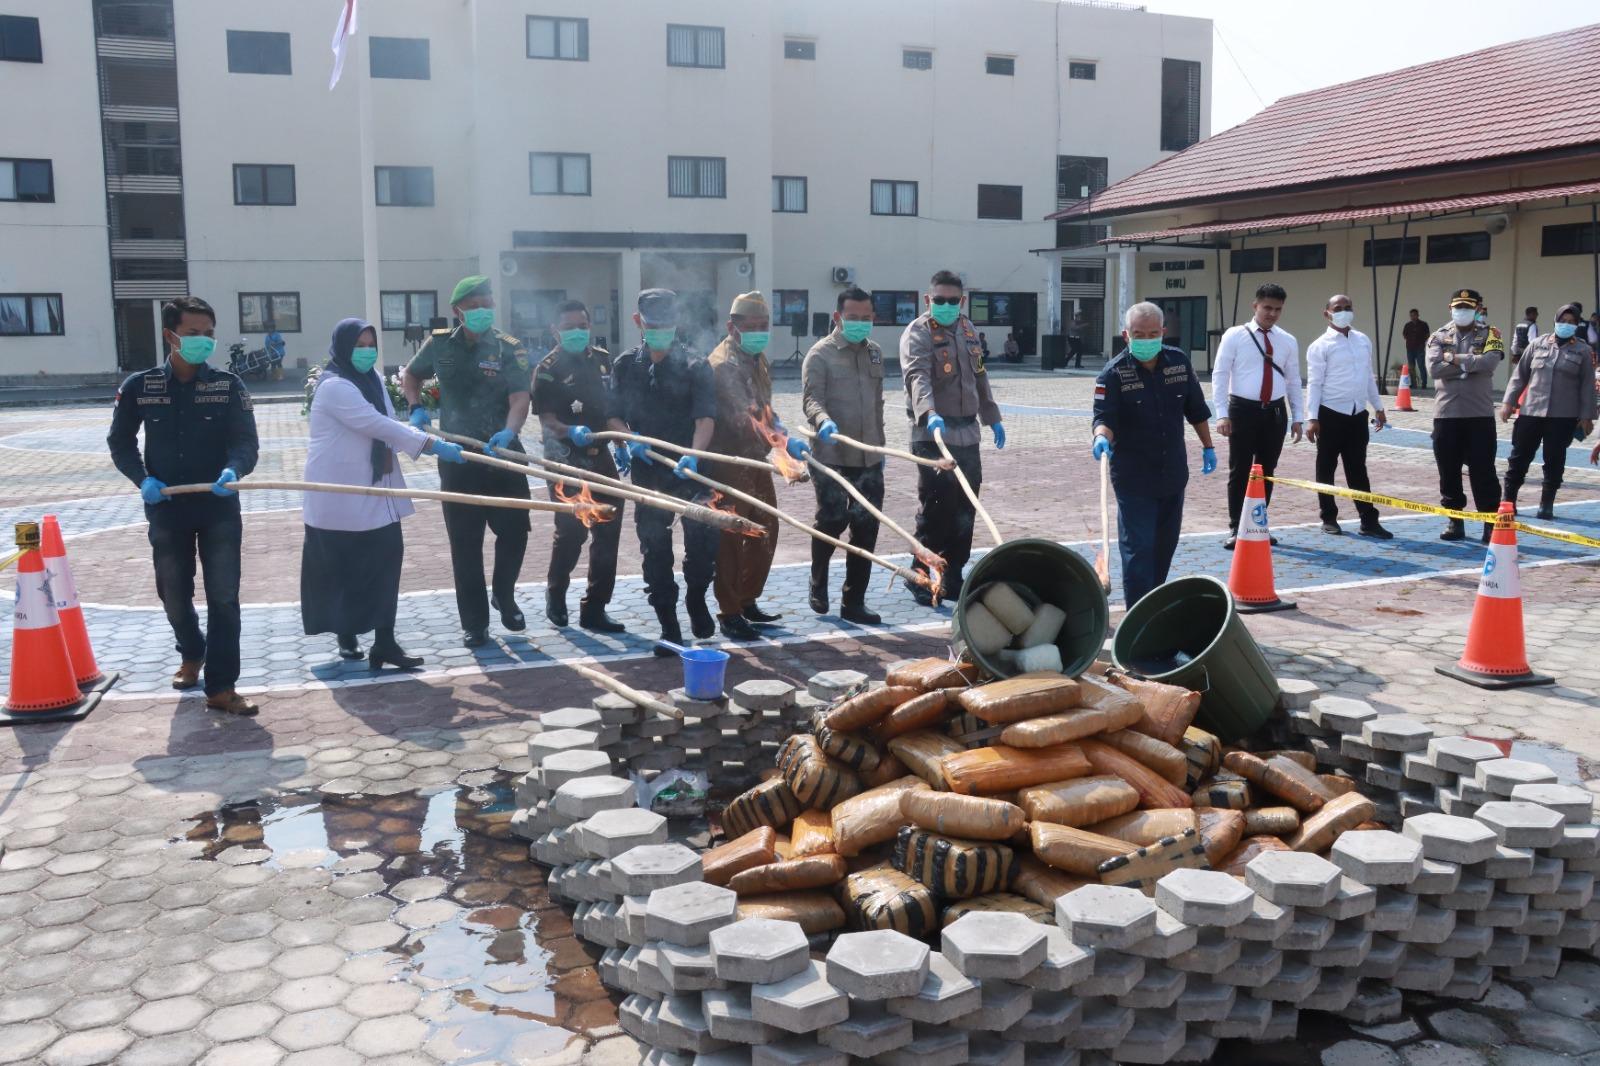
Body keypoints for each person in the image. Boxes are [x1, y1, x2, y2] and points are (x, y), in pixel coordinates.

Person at [107, 296, 260, 716]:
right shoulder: (140, 386)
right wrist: (143, 480)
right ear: (170, 335)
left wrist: (234, 470)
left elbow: (245, 442)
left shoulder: (228, 386)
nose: (203, 342)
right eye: (193, 334)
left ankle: (222, 687)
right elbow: (119, 442)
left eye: (209, 334)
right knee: (174, 592)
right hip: (167, 507)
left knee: (224, 598)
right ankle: (192, 652)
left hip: (218, 507)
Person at [302, 318, 466, 669]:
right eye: (358, 345)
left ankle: (385, 643)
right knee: (340, 569)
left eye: (370, 344)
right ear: (343, 347)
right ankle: (345, 634)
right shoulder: (334, 387)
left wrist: (416, 429)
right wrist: (431, 444)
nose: (366, 351)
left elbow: (388, 423)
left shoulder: (373, 379)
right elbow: (374, 424)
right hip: (338, 493)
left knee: (386, 561)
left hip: (377, 489)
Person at [402, 275, 533, 647]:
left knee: (514, 532)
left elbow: (521, 398)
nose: (481, 311)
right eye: (473, 305)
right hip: (458, 459)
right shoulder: (439, 343)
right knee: (465, 542)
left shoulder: (510, 348)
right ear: (457, 311)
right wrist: (416, 408)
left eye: (486, 303)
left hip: (503, 455)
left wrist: (509, 431)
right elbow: (410, 375)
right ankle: (475, 623)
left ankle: (504, 595)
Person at [613, 288, 720, 650]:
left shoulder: (695, 365)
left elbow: (705, 418)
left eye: (667, 324)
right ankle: (668, 624)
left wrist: (693, 454)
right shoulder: (625, 365)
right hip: (648, 473)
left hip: (690, 471)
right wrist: (628, 439)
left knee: (704, 543)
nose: (660, 330)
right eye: (653, 324)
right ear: (638, 322)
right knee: (655, 548)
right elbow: (612, 415)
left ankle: (696, 596)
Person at [1091, 302, 1217, 607]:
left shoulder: (1179, 363)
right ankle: (1137, 615)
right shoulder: (1113, 374)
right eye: (1138, 334)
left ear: (1163, 332)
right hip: (1134, 479)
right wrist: (1100, 438)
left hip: (1172, 474)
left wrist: (1208, 446)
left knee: (1163, 548)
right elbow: (1103, 418)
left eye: (1152, 333)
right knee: (1138, 550)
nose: (1145, 339)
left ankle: (1153, 608)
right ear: (1126, 335)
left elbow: (1196, 410)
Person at [707, 291, 808, 639]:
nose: (759, 332)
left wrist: (781, 434)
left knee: (766, 526)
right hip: (727, 458)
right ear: (732, 327)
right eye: (751, 327)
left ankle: (747, 598)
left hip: (755, 456)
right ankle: (729, 610)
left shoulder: (757, 357)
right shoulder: (723, 365)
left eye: (763, 326)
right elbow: (745, 418)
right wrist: (782, 441)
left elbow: (764, 408)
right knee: (734, 533)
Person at [901, 269, 1005, 605]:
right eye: (939, 300)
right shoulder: (918, 333)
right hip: (932, 434)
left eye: (953, 300)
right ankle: (921, 575)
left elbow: (980, 375)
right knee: (936, 509)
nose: (946, 305)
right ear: (928, 300)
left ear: (962, 301)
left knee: (966, 507)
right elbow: (917, 376)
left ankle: (954, 575)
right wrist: (928, 412)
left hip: (967, 432)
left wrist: (992, 417)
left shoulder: (967, 328)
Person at [532, 300, 629, 632]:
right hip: (565, 460)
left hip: (600, 459)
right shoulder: (547, 368)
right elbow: (547, 421)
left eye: (583, 326)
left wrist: (622, 442)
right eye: (570, 327)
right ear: (555, 330)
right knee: (571, 532)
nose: (578, 332)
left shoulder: (603, 361)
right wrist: (570, 430)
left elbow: (611, 411)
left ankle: (596, 607)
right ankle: (556, 593)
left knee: (608, 529)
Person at [802, 286, 886, 625]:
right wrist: (823, 420)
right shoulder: (819, 355)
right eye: (853, 318)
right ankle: (818, 581)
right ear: (838, 317)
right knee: (832, 521)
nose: (860, 324)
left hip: (869, 457)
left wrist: (880, 446)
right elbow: (811, 400)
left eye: (866, 319)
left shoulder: (875, 353)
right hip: (831, 455)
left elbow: (878, 403)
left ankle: (854, 601)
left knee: (866, 529)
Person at [1213, 283, 1303, 550]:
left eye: (1277, 309)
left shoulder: (1287, 340)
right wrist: (1221, 414)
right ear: (1255, 306)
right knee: (1240, 470)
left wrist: (1299, 416)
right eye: (1267, 308)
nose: (1272, 314)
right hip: (1242, 410)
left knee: (1266, 471)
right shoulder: (1235, 335)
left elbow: (1293, 380)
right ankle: (1235, 527)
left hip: (1274, 412)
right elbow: (1220, 375)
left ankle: (1257, 523)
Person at [1304, 295, 1393, 539]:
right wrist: (1312, 417)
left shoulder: (1363, 340)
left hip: (1357, 414)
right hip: (1330, 413)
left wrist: (1378, 406)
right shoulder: (1320, 345)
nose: (1344, 312)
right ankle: (1329, 517)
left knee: (1358, 469)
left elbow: (1368, 377)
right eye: (1338, 308)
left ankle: (1368, 520)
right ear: (1327, 313)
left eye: (1348, 308)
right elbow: (1314, 383)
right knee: (1326, 467)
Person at [1500, 302, 1596, 519]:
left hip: (1563, 416)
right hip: (1531, 411)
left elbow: (1587, 386)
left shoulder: (1583, 350)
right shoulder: (1537, 344)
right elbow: (1520, 375)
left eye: (1571, 322)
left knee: (1554, 459)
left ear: (1577, 325)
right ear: (1555, 320)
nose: (1566, 325)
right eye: (1563, 321)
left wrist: (1587, 416)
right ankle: (1508, 499)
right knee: (1519, 456)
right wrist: (1508, 402)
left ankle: (1547, 502)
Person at [1427, 288, 1504, 542]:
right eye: (1458, 307)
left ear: (1477, 309)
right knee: (1448, 470)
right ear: (1450, 308)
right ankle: (1454, 521)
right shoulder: (1438, 335)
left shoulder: (1491, 334)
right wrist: (1470, 364)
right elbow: (1434, 369)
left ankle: (1489, 523)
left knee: (1483, 471)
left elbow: (1490, 363)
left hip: (1479, 415)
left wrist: (1453, 359)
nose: (1462, 311)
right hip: (1447, 414)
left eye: (1467, 307)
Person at [1402, 309, 1431, 389]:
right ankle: (1413, 384)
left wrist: (1421, 342)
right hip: (1410, 349)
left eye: (1414, 315)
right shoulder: (1407, 325)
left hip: (1420, 349)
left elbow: (1427, 335)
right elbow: (1404, 335)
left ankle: (1424, 384)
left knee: (1421, 366)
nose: (1412, 317)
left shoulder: (1423, 324)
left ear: (1418, 315)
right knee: (1411, 367)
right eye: (1411, 315)